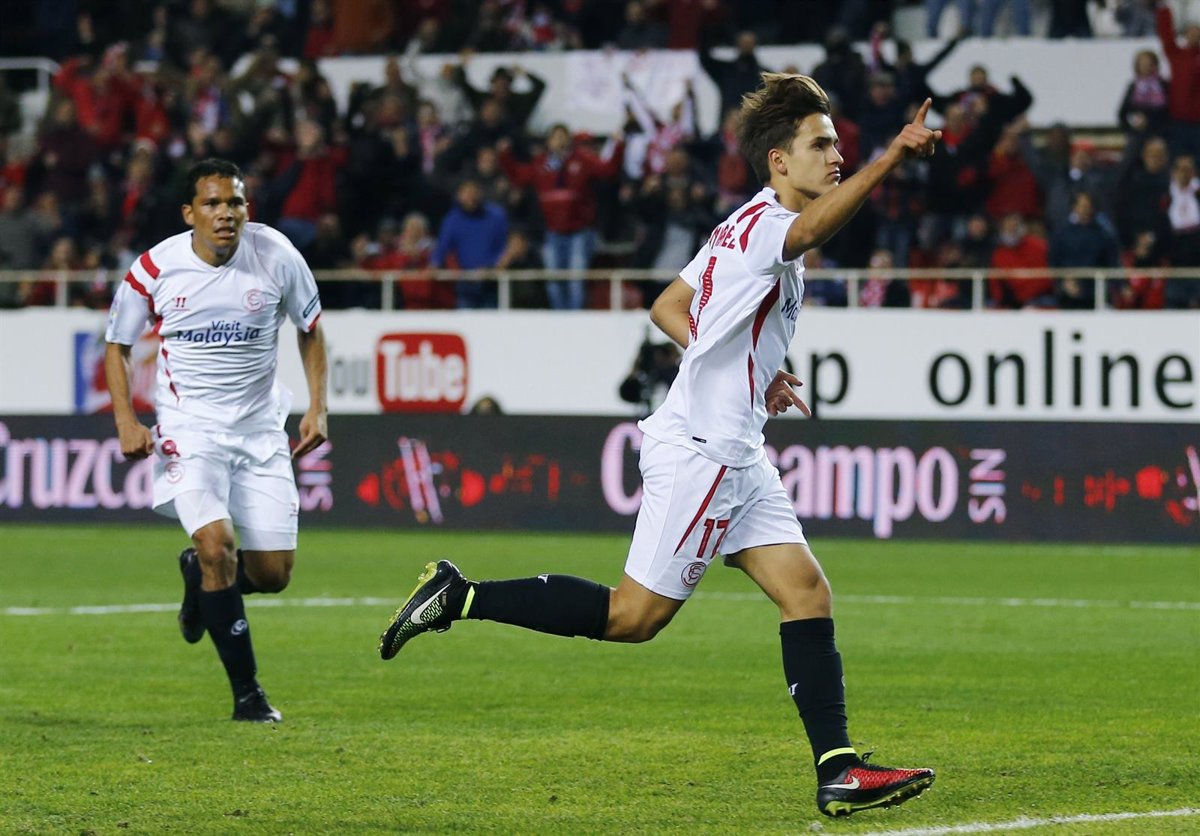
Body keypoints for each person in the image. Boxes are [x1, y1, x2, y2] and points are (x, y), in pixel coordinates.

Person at [378, 73, 938, 818]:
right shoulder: (772, 228)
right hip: (705, 451)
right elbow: (809, 233)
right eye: (822, 144)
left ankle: (838, 770)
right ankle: (461, 595)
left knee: (806, 593)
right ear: (779, 160)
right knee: (632, 617)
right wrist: (892, 156)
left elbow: (669, 306)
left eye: (838, 145)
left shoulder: (742, 224)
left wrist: (755, 369)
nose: (837, 156)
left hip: (738, 452)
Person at [104, 158, 328, 723]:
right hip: (190, 429)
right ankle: (248, 695)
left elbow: (310, 330)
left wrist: (317, 406)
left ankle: (198, 577)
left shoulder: (277, 255)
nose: (225, 213)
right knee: (218, 544)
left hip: (259, 431)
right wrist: (127, 420)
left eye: (235, 202)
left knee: (273, 574)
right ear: (190, 213)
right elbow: (117, 344)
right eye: (212, 203)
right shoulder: (156, 267)